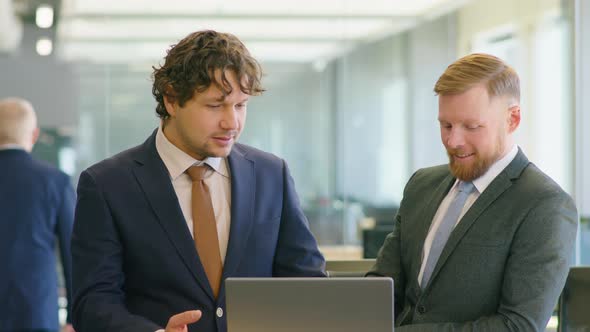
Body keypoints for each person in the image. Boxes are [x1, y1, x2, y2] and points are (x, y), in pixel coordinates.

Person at [71, 30, 326, 332]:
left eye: (241, 105)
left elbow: (307, 283)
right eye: (215, 105)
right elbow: (93, 303)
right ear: (171, 99)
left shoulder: (272, 174)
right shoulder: (106, 185)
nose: (232, 122)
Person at [367, 53, 578, 331]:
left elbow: (518, 325)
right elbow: (384, 287)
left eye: (471, 126)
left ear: (512, 119)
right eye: (446, 125)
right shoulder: (421, 185)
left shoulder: (544, 204)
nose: (454, 141)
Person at [0, 98, 75, 332]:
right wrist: (75, 315)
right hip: (36, 312)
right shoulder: (55, 181)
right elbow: (74, 252)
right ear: (34, 135)